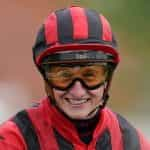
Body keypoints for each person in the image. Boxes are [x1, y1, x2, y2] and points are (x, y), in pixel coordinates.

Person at [0, 6, 149, 150]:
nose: (78, 92)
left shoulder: (132, 143)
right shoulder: (14, 139)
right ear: (45, 77)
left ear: (107, 79)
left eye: (90, 75)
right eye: (64, 75)